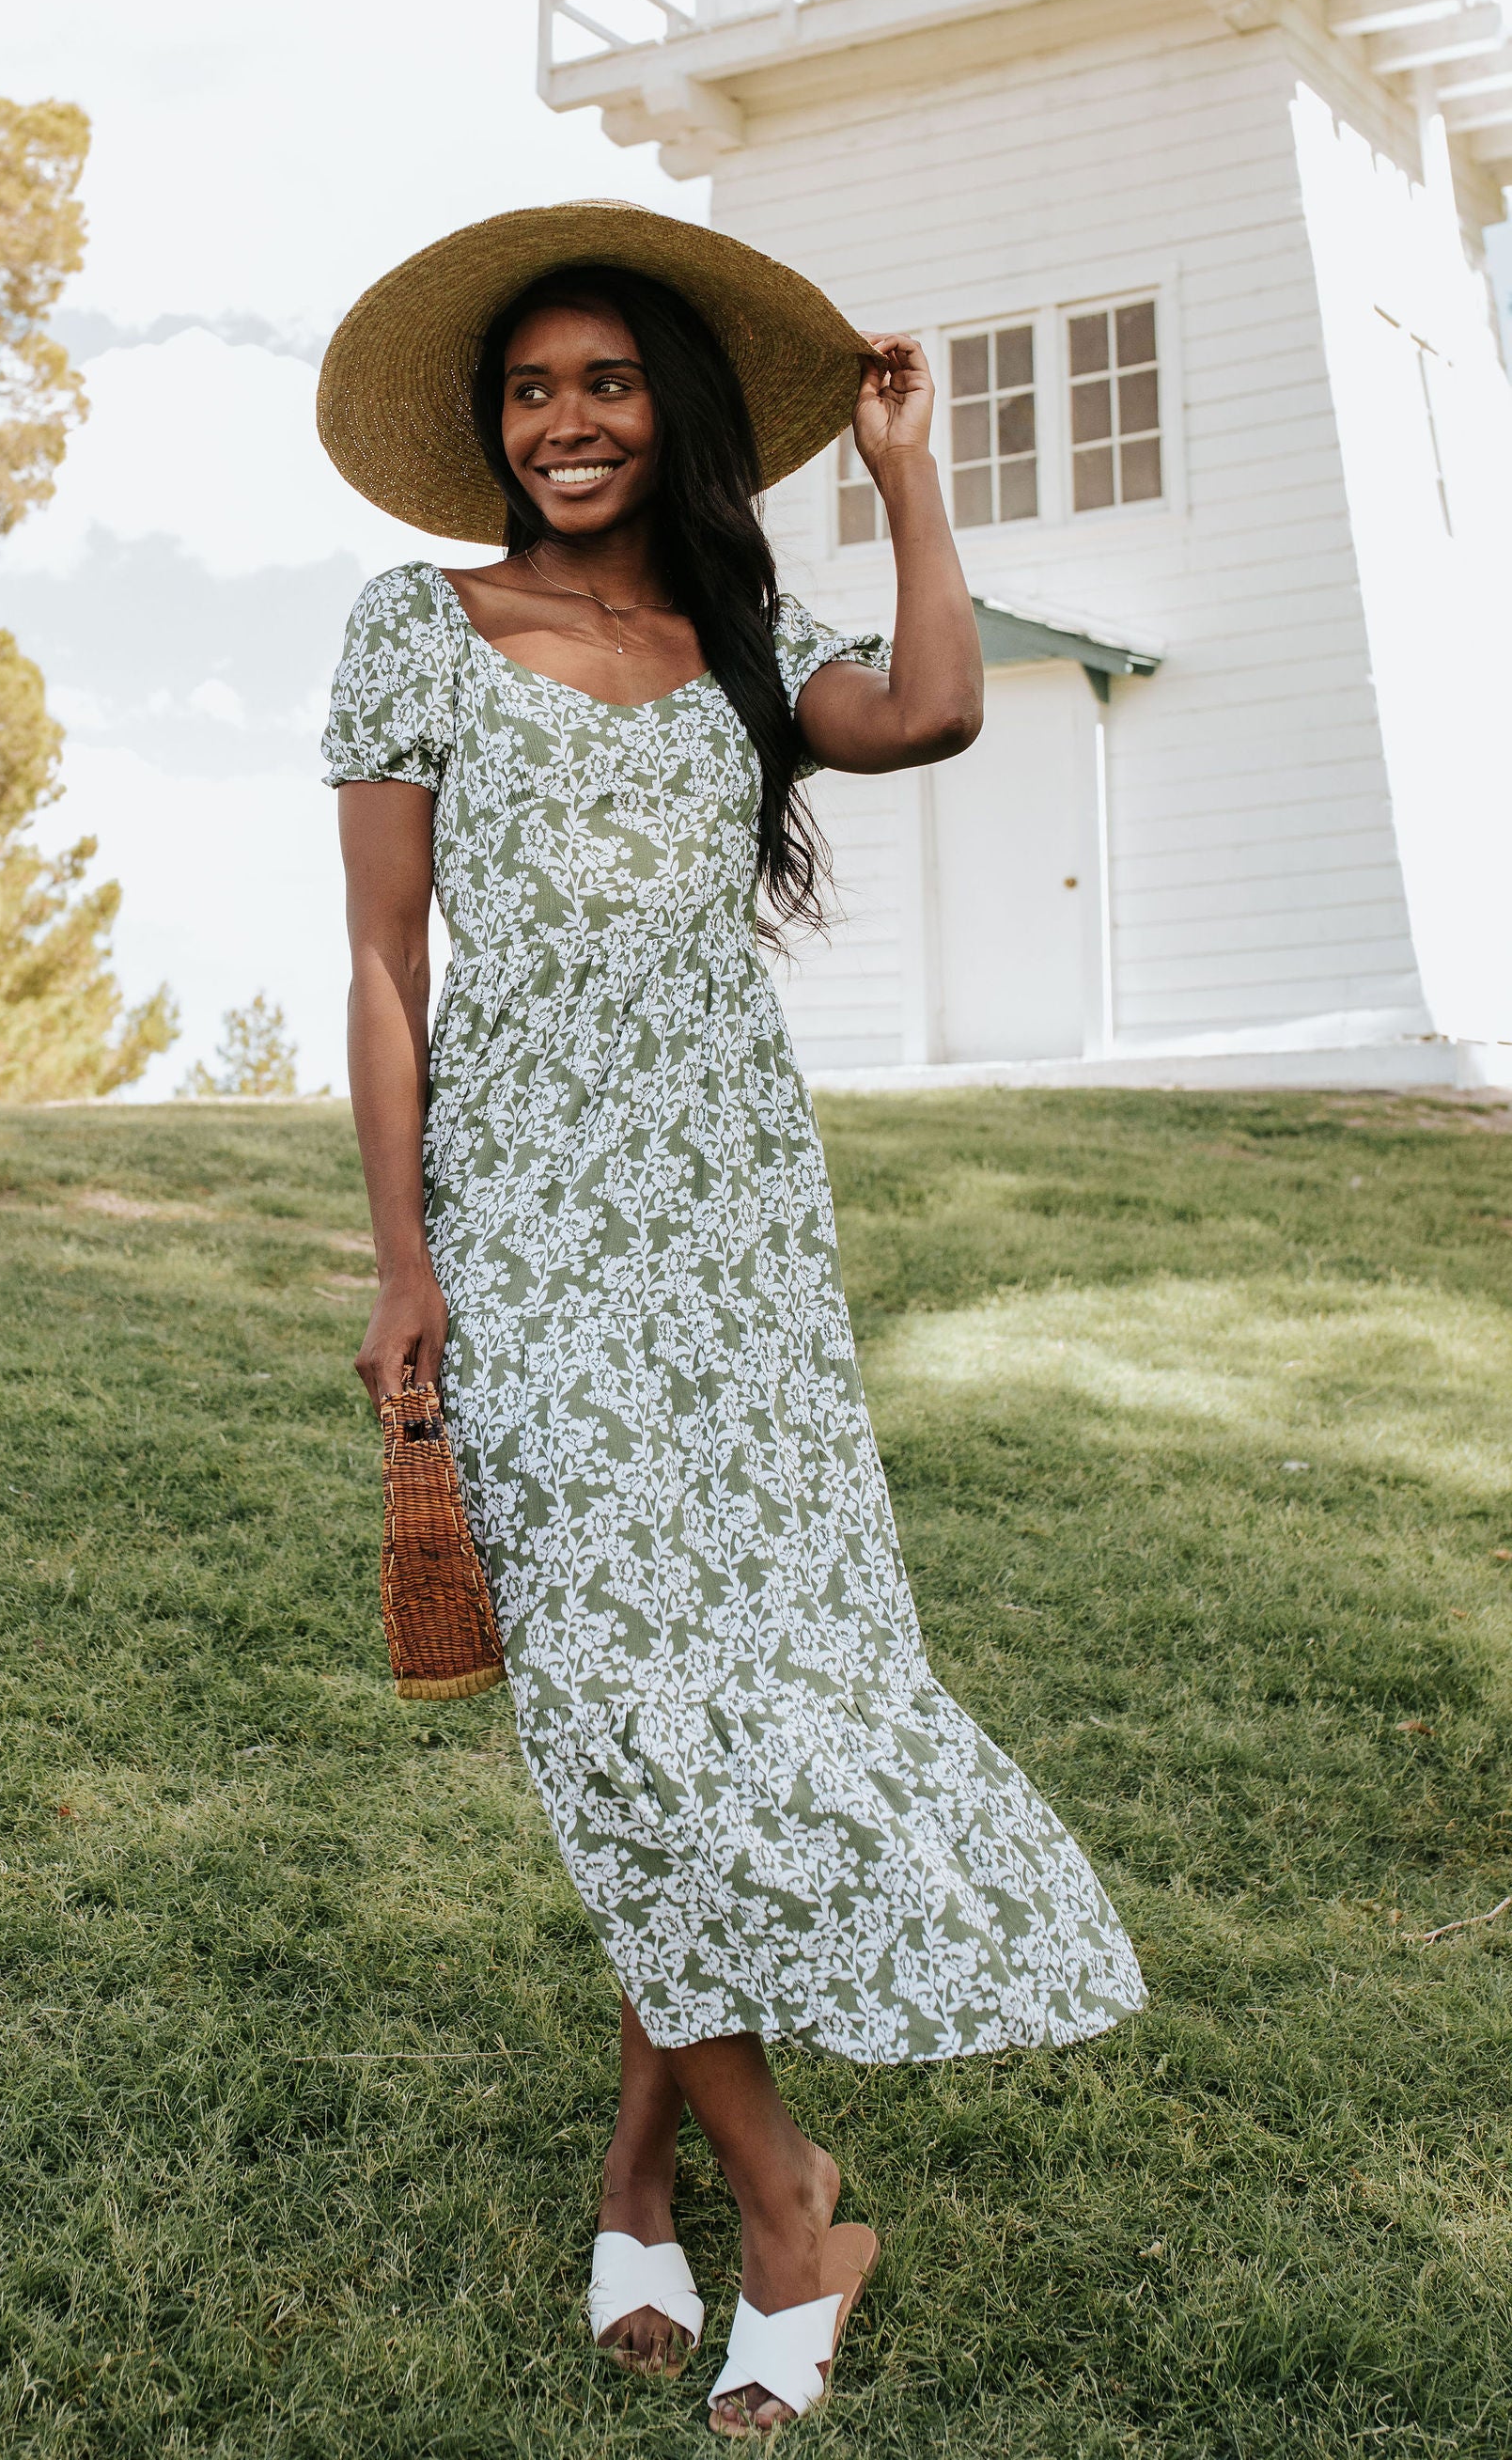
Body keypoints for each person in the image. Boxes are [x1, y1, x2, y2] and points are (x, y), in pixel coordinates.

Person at [319, 204, 1145, 2438]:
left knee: (730, 1682)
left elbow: (947, 706)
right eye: (530, 391)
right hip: (533, 1230)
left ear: (665, 410)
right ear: (490, 430)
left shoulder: (730, 633)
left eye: (603, 383)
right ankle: (787, 2196)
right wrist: (405, 1259)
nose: (566, 422)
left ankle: (631, 2164)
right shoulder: (418, 626)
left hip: (734, 1236)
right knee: (609, 1697)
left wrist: (905, 474)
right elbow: (390, 972)